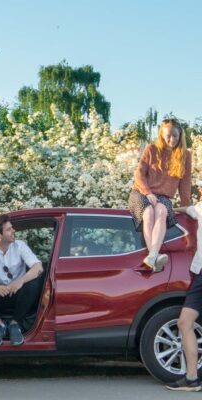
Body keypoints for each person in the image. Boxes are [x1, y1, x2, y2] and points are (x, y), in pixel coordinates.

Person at [129, 118, 191, 272]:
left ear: (180, 135)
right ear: (162, 135)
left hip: (163, 196)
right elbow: (139, 174)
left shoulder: (185, 156)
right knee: (149, 213)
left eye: (175, 135)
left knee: (162, 211)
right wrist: (148, 192)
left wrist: (187, 208)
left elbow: (185, 184)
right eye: (168, 135)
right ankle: (154, 255)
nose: (172, 139)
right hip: (141, 192)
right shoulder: (152, 149)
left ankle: (152, 256)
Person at [0, 214, 43, 346]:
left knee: (34, 283)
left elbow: (38, 267)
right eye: (9, 229)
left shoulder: (20, 245)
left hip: (18, 294)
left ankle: (15, 324)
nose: (13, 231)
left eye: (12, 228)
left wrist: (21, 281)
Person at [166, 184, 202, 391]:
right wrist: (169, 209)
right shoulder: (200, 209)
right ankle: (191, 378)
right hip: (201, 274)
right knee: (184, 322)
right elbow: (188, 209)